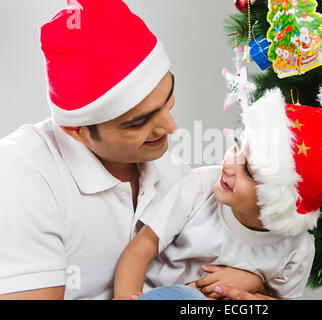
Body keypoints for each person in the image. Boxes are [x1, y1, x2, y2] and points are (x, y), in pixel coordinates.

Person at [0, 0, 262, 300]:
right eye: (138, 122)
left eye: (168, 97)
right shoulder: (20, 175)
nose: (171, 128)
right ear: (77, 130)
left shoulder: (172, 172)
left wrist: (251, 285)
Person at [113, 87, 322, 300]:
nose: (229, 163)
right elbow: (140, 249)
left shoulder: (297, 248)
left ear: (280, 202)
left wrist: (254, 285)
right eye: (237, 144)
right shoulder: (199, 187)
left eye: (248, 170)